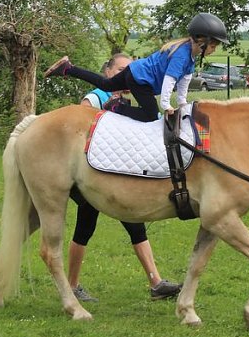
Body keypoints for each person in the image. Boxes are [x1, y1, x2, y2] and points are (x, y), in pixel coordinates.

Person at [68, 53, 181, 302]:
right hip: (93, 174)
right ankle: (72, 286)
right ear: (108, 72)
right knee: (85, 228)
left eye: (129, 70)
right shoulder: (97, 96)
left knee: (134, 226)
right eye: (121, 70)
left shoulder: (127, 99)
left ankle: (156, 283)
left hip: (118, 172)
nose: (126, 74)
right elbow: (78, 125)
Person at [44, 13, 229, 122]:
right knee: (151, 116)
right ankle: (117, 107)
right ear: (201, 40)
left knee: (106, 84)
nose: (213, 50)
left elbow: (184, 81)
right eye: (213, 46)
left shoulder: (190, 57)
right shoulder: (182, 54)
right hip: (141, 79)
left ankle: (68, 68)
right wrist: (166, 105)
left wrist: (182, 103)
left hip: (135, 72)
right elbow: (170, 79)